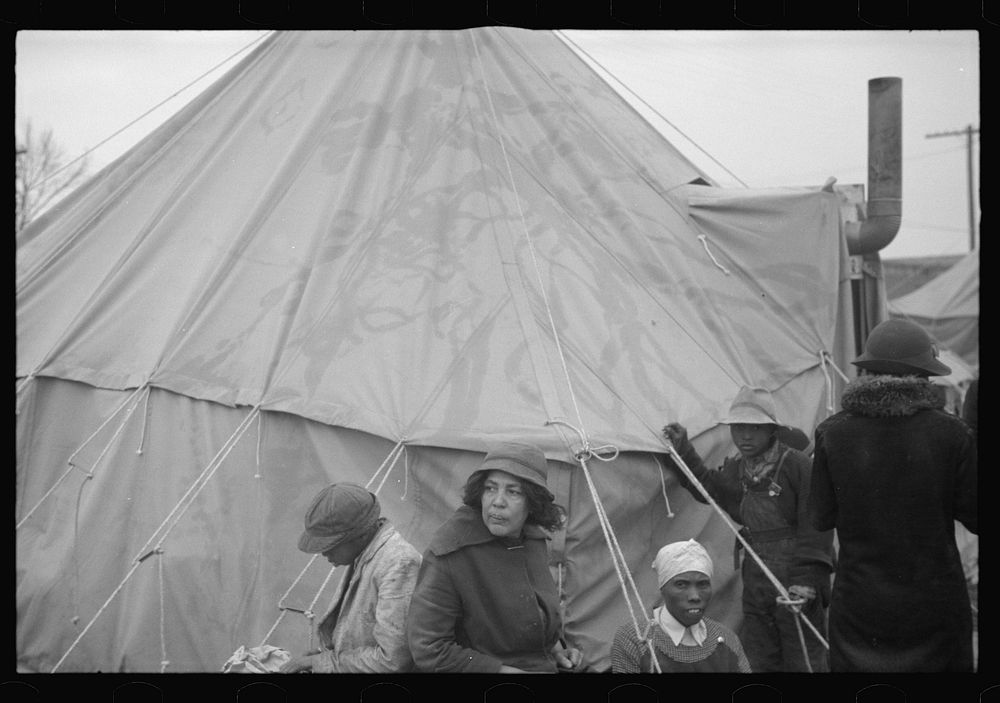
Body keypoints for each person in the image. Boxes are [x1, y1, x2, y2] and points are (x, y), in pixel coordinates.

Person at [808, 319, 977, 672]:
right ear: (923, 377)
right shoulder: (953, 434)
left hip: (860, 610)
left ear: (868, 371)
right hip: (935, 609)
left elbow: (820, 517)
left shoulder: (832, 434)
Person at [661, 386, 834, 672]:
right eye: (739, 427)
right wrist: (682, 450)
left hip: (796, 582)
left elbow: (816, 523)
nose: (745, 436)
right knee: (760, 657)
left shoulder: (797, 466)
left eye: (754, 428)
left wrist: (805, 580)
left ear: (771, 430)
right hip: (757, 579)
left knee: (804, 659)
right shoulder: (738, 469)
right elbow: (707, 488)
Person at [406, 441, 583, 673]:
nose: (497, 502)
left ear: (532, 502)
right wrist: (500, 671)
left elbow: (534, 612)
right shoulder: (450, 552)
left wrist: (555, 648)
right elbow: (429, 648)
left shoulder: (533, 541)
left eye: (513, 491)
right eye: (490, 488)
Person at [280, 482, 422, 673]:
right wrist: (322, 657)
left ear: (360, 535)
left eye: (331, 544)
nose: (324, 553)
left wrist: (326, 663)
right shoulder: (363, 555)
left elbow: (392, 660)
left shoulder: (399, 563)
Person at [610, 539, 751, 673]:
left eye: (703, 584)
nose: (695, 596)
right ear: (662, 589)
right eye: (681, 585)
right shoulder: (635, 640)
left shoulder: (725, 639)